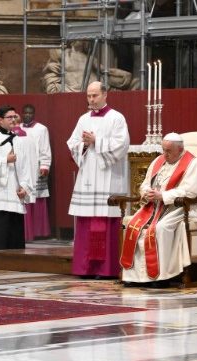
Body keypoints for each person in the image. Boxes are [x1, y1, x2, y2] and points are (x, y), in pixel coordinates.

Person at [120, 133, 197, 286]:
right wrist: (146, 192)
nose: (165, 154)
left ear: (180, 149)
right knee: (134, 226)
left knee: (160, 228)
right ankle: (135, 276)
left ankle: (161, 277)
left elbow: (191, 192)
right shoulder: (159, 160)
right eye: (163, 150)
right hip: (154, 206)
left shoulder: (193, 163)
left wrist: (163, 195)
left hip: (180, 207)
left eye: (169, 151)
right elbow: (146, 183)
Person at [67, 81, 130, 278]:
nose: (91, 100)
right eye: (88, 96)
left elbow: (122, 145)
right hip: (88, 175)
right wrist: (83, 146)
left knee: (106, 221)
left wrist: (97, 142)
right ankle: (85, 268)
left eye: (95, 95)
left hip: (108, 176)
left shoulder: (116, 118)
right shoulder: (83, 119)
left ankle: (106, 269)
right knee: (86, 223)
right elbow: (72, 143)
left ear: (105, 95)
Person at [0, 106, 34, 254]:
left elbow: (24, 165)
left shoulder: (18, 139)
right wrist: (5, 160)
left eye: (14, 116)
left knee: (14, 230)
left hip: (15, 192)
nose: (13, 119)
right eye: (9, 117)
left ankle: (15, 260)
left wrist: (24, 186)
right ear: (0, 119)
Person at [20, 104, 52, 240]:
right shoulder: (17, 129)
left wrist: (45, 165)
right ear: (22, 114)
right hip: (22, 168)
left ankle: (38, 231)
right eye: (25, 113)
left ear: (34, 114)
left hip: (36, 167)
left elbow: (45, 148)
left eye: (30, 113)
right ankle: (25, 232)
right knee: (24, 198)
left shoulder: (41, 129)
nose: (28, 115)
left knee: (37, 199)